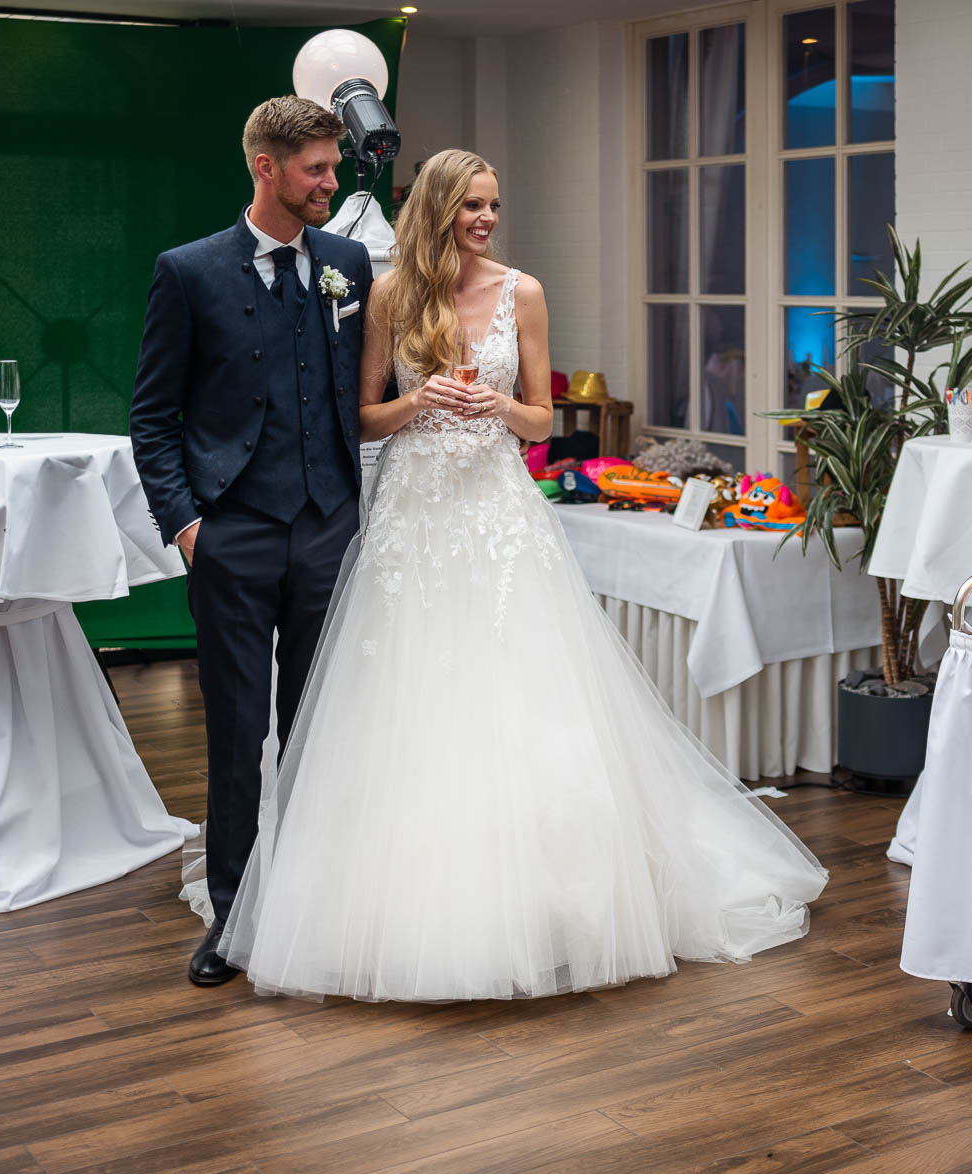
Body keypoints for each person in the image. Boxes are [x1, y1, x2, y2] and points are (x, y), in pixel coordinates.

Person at [211, 149, 827, 1002]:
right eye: (472, 206)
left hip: (500, 512)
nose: (487, 220)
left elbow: (543, 417)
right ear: (437, 208)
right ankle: (393, 904)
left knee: (520, 690)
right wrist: (422, 402)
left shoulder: (523, 292)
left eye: (495, 205)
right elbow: (360, 416)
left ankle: (546, 905)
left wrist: (498, 407)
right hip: (414, 510)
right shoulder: (390, 295)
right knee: (407, 695)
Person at [130, 97, 374, 987]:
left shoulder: (348, 264)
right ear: (265, 167)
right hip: (231, 535)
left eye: (333, 166)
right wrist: (190, 528)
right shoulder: (188, 271)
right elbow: (151, 419)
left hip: (326, 529)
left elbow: (358, 392)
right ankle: (232, 921)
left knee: (318, 729)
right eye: (316, 168)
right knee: (238, 735)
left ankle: (313, 907)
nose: (331, 182)